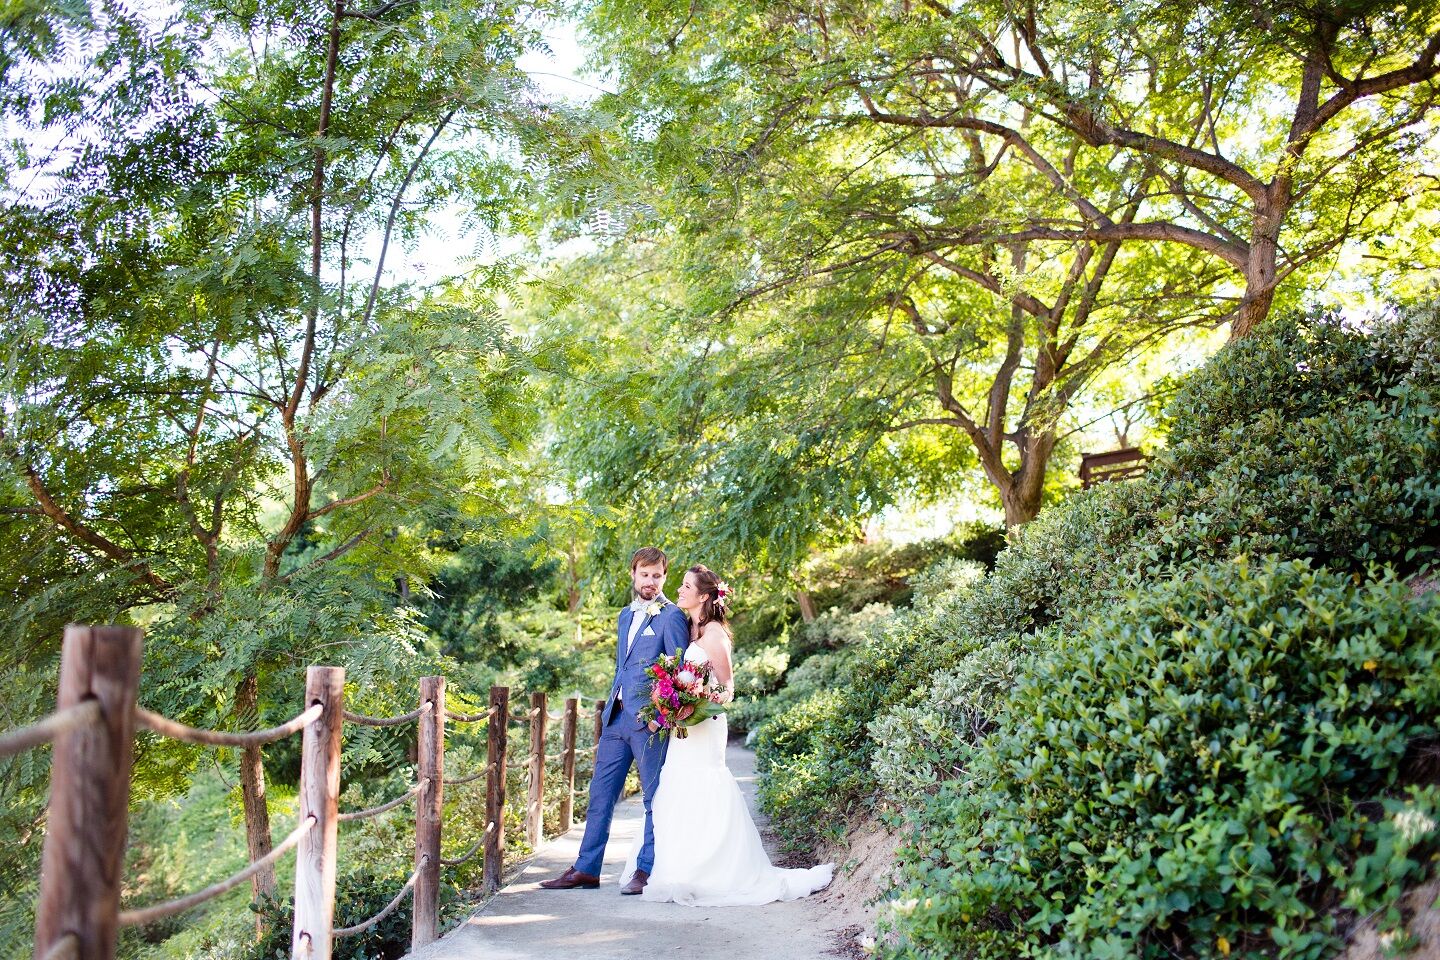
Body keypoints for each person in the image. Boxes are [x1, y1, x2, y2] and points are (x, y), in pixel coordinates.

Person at [623, 564, 834, 906]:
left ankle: (714, 872)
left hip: (704, 726)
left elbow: (728, 689)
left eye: (686, 586)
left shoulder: (715, 634)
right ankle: (681, 870)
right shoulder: (691, 631)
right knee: (676, 786)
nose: (679, 590)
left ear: (703, 596)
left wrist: (696, 700)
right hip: (683, 727)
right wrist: (673, 702)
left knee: (704, 786)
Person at [540, 546, 689, 895]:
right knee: (600, 795)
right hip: (615, 719)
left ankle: (646, 870)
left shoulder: (672, 617)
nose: (650, 581)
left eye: (657, 575)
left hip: (648, 724)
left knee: (654, 798)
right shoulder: (624, 615)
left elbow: (680, 673)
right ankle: (586, 869)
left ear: (665, 577)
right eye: (644, 574)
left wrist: (659, 720)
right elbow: (623, 667)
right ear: (633, 575)